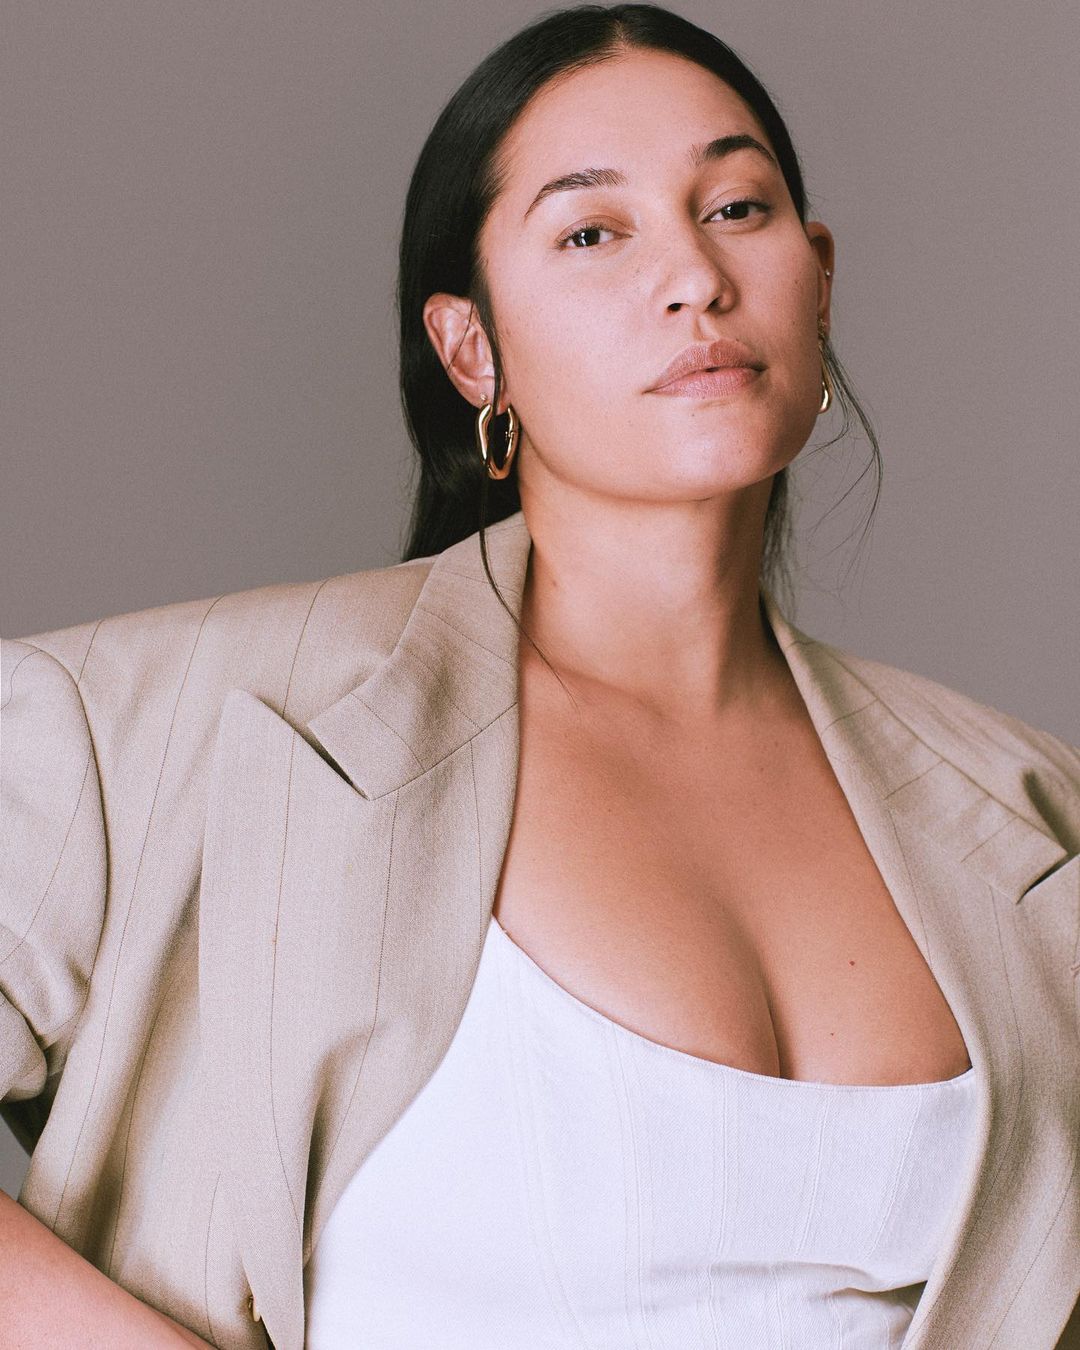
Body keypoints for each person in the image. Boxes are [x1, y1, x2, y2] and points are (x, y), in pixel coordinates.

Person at [2, 4, 1078, 1348]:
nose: (694, 277)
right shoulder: (164, 731)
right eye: (592, 231)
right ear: (473, 349)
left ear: (818, 278)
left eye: (736, 208)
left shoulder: (1035, 811)